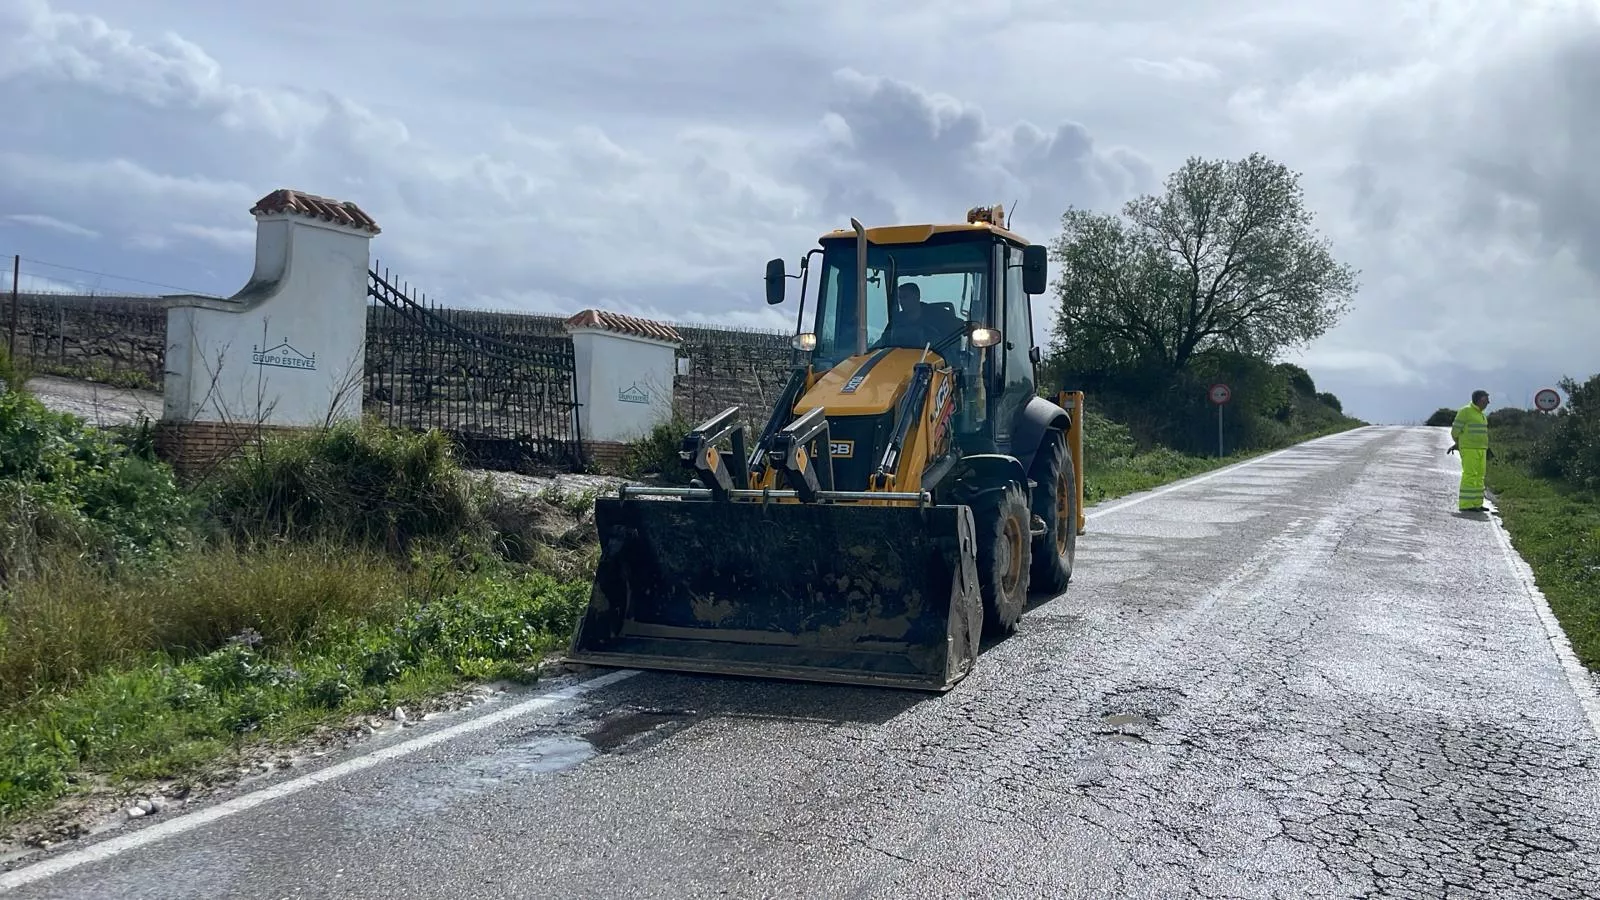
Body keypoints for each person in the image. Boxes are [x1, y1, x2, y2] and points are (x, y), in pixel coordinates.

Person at [875, 282, 964, 352]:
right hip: (901, 363)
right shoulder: (897, 321)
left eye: (905, 297)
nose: (901, 301)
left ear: (917, 297)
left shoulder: (940, 316)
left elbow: (960, 330)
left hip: (938, 361)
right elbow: (884, 341)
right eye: (900, 298)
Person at [1446, 390, 1493, 512]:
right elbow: (1455, 431)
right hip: (1469, 449)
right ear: (1480, 400)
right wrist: (1458, 443)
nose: (1488, 402)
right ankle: (1466, 504)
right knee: (1470, 475)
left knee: (1480, 476)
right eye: (1486, 399)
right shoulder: (1465, 411)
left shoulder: (1481, 415)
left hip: (1481, 449)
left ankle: (1477, 503)